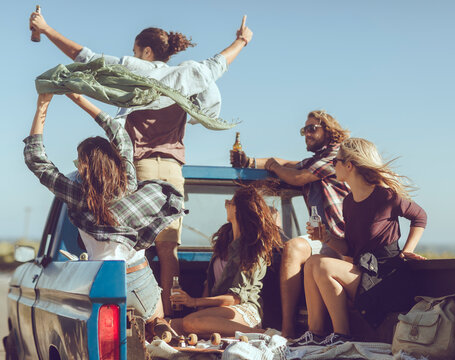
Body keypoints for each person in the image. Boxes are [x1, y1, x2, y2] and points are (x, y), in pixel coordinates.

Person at [30, 11, 253, 317]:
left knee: (135, 246)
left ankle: (142, 314)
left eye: (136, 51)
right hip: (174, 170)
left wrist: (46, 29)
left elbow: (85, 57)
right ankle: (171, 315)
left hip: (140, 166)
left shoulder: (135, 71)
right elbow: (219, 63)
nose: (132, 56)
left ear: (146, 52)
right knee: (169, 249)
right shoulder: (187, 76)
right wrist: (241, 40)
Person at [23, 92, 186, 329]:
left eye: (79, 162)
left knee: (108, 350)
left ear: (85, 167)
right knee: (157, 339)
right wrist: (79, 99)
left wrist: (42, 105)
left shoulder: (78, 196)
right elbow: (119, 134)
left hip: (102, 281)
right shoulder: (129, 183)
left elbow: (36, 159)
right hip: (139, 278)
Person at [292, 137, 427, 346]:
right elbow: (350, 248)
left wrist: (407, 251)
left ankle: (342, 335)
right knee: (313, 261)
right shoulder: (348, 202)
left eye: (334, 161)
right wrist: (325, 237)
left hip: (386, 280)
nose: (332, 165)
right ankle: (316, 333)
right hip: (363, 273)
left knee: (320, 263)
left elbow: (420, 217)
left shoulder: (385, 196)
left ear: (349, 165)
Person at [230, 110, 350, 338]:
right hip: (320, 236)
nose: (307, 134)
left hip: (342, 237)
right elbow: (287, 163)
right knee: (293, 248)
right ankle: (289, 332)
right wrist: (250, 162)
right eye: (304, 130)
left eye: (312, 128)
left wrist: (274, 167)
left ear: (330, 130)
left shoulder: (336, 157)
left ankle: (301, 331)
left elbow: (296, 177)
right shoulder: (313, 161)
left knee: (295, 247)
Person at [169, 186, 283, 337]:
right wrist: (200, 309)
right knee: (169, 325)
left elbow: (236, 298)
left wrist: (194, 302)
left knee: (190, 323)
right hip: (217, 310)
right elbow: (209, 285)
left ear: (238, 209)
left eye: (230, 202)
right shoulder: (224, 240)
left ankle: (264, 335)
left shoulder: (253, 248)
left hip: (244, 309)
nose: (225, 203)